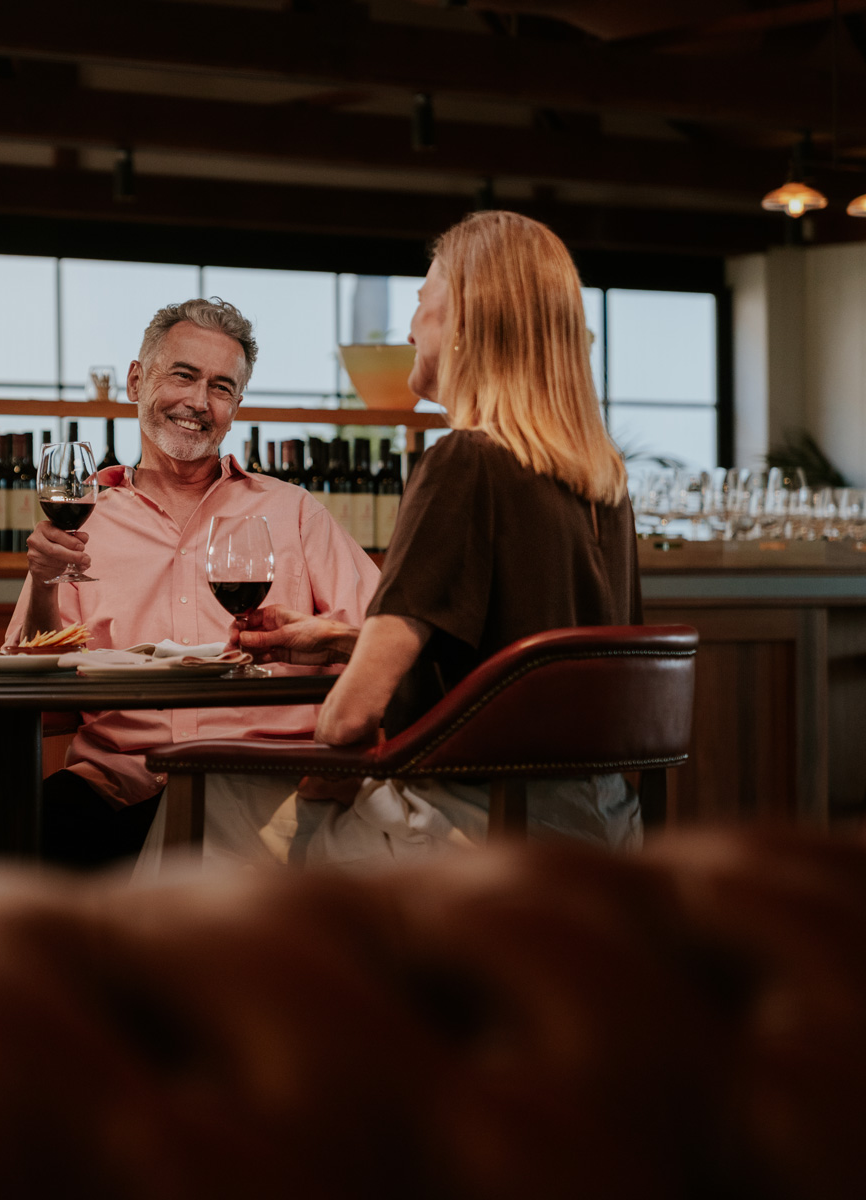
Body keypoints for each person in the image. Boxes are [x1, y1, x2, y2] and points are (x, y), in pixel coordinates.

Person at [232, 210, 643, 866]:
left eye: (423, 301)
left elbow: (349, 718)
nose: (409, 326)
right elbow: (518, 654)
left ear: (465, 323)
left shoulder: (465, 461)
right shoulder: (603, 480)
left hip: (477, 833)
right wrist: (341, 638)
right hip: (600, 826)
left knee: (219, 817)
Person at [7, 298, 379, 870]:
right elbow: (25, 674)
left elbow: (383, 637)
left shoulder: (294, 513)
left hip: (267, 786)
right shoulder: (84, 519)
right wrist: (42, 581)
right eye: (183, 375)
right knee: (23, 837)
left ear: (236, 407)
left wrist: (326, 640)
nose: (199, 402)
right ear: (136, 380)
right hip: (123, 785)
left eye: (221, 387)